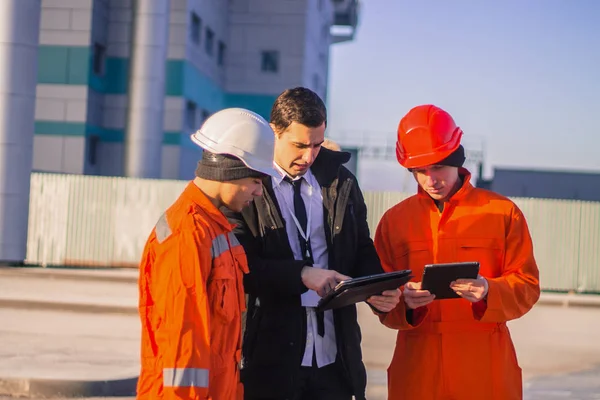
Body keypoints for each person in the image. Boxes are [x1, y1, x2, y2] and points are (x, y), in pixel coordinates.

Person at [225, 87, 401, 400]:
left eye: (317, 145)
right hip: (269, 355)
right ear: (274, 132)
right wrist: (302, 275)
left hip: (335, 354)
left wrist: (376, 288)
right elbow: (242, 266)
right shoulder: (245, 183)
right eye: (300, 145)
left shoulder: (341, 180)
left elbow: (360, 246)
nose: (309, 156)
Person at [374, 104, 541, 400]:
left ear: (457, 160)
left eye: (438, 167)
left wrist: (489, 290)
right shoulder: (394, 222)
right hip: (417, 370)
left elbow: (527, 287)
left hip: (484, 369)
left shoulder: (502, 213)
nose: (430, 179)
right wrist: (405, 302)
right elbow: (379, 297)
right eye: (420, 171)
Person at [136, 108, 279, 400]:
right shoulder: (187, 234)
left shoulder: (217, 228)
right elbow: (182, 345)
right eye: (256, 181)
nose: (258, 193)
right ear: (232, 170)